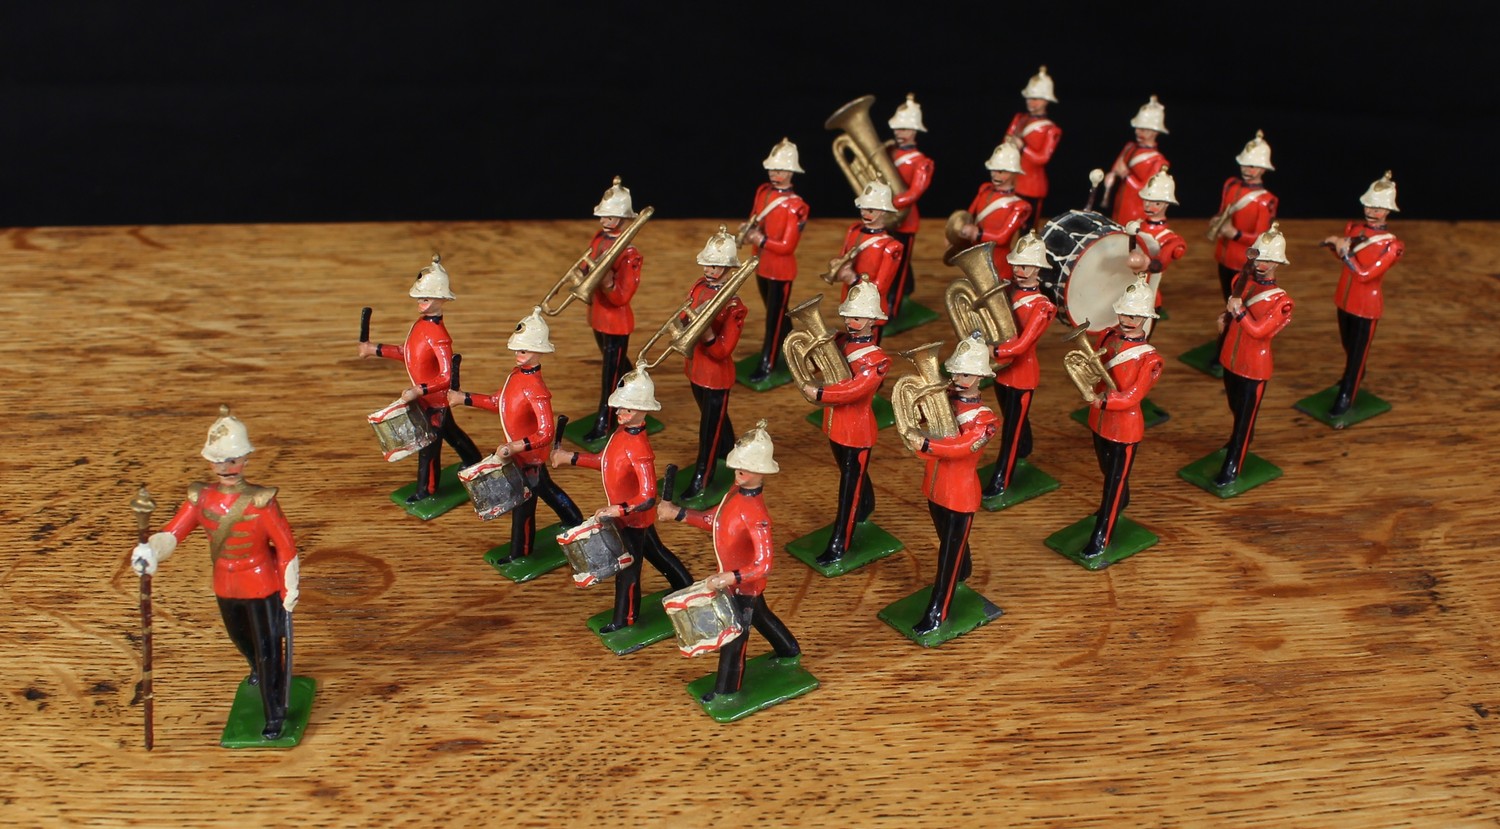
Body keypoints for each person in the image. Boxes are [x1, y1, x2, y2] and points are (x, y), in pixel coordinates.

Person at [130, 406, 300, 740]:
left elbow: (285, 546)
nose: (227, 468)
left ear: (245, 460)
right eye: (220, 461)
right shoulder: (201, 499)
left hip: (261, 583)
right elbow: (173, 533)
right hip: (225, 583)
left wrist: (289, 586)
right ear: (210, 463)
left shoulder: (261, 501)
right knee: (240, 639)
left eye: (233, 460)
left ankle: (274, 713)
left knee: (268, 650)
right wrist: (150, 551)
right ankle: (257, 667)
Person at [657, 420, 800, 702]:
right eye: (738, 466)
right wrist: (679, 514)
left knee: (735, 636)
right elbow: (715, 520)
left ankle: (726, 690)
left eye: (745, 467)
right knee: (761, 617)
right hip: (733, 582)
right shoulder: (734, 494)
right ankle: (789, 649)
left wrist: (730, 577)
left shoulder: (756, 514)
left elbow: (764, 564)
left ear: (761, 472)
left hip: (743, 586)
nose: (738, 471)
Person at [552, 364, 693, 632]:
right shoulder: (620, 434)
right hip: (628, 517)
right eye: (619, 407)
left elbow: (648, 496)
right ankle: (684, 585)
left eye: (626, 409)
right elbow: (605, 462)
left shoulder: (639, 448)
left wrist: (618, 510)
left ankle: (625, 619)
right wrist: (570, 457)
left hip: (633, 520)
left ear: (642, 410)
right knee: (657, 553)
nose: (619, 413)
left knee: (628, 569)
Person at [450, 307, 582, 562]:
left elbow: (546, 432)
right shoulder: (515, 376)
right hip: (520, 455)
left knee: (524, 505)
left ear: (538, 351)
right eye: (517, 350)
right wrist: (464, 398)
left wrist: (516, 447)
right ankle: (572, 518)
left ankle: (520, 553)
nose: (518, 354)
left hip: (529, 457)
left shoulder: (537, 390)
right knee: (546, 490)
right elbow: (497, 402)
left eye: (524, 350)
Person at [358, 254, 481, 502]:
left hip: (435, 401)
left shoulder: (439, 336)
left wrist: (419, 390)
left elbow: (446, 375)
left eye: (426, 298)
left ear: (441, 300)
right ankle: (473, 460)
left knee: (428, 446)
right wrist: (375, 349)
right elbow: (407, 353)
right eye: (420, 297)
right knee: (452, 433)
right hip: (426, 399)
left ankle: (427, 490)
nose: (420, 302)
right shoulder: (420, 326)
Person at [902, 334, 998, 635]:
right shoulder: (944, 402)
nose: (957, 379)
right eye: (955, 372)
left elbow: (961, 448)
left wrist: (927, 444)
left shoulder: (985, 420)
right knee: (948, 542)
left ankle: (937, 613)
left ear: (980, 377)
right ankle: (963, 569)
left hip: (960, 494)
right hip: (934, 486)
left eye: (965, 374)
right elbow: (926, 428)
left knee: (946, 557)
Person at [800, 277, 891, 566]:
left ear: (872, 321)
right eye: (849, 316)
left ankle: (841, 542)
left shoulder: (876, 359)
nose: (851, 321)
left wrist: (820, 392)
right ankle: (867, 504)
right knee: (849, 474)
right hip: (835, 424)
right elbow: (823, 366)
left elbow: (854, 390)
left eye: (858, 317)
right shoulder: (839, 341)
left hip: (857, 431)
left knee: (847, 490)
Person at [1081, 277, 1164, 559]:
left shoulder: (1150, 359)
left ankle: (1102, 536)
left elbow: (1133, 396)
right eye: (1125, 314)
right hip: (1100, 420)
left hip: (1125, 428)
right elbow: (1096, 367)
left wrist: (1103, 401)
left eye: (1135, 316)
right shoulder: (1108, 336)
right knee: (1107, 473)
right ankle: (1118, 502)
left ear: (1146, 318)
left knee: (1114, 483)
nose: (1128, 320)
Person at [1217, 224, 1294, 486]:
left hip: (1254, 366)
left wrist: (1238, 312)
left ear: (1278, 263)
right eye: (1259, 257)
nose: (1261, 264)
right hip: (1231, 356)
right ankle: (1238, 441)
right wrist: (1226, 317)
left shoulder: (1281, 301)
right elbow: (1233, 310)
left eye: (1268, 260)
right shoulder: (1241, 282)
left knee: (1245, 420)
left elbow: (1259, 331)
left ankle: (1233, 465)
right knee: (1235, 408)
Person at [1323, 171, 1404, 416]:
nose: (1371, 211)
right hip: (1344, 297)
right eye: (1369, 205)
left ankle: (1347, 393)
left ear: (1387, 211)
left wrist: (1345, 253)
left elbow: (1365, 274)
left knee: (1357, 355)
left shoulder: (1391, 245)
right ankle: (1353, 376)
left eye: (1377, 208)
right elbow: (1344, 259)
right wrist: (1335, 245)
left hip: (1366, 306)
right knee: (1349, 347)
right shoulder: (1354, 228)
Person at [983, 232, 1057, 499]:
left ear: (1038, 269)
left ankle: (1002, 479)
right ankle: (1025, 447)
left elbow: (1023, 345)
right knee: (1012, 419)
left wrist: (995, 351)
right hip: (1002, 371)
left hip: (1022, 374)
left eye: (1025, 266)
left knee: (1010, 432)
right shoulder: (1008, 291)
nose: (1019, 270)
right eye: (1016, 264)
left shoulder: (1043, 306)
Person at [680, 227, 749, 497]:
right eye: (707, 264)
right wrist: (686, 321)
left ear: (729, 268)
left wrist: (706, 331)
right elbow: (685, 311)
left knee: (708, 431)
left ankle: (703, 477)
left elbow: (723, 350)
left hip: (715, 374)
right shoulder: (699, 286)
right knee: (714, 418)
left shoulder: (734, 306)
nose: (709, 270)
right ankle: (729, 450)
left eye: (716, 266)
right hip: (695, 366)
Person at [741, 138, 810, 383]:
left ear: (791, 172)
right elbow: (755, 217)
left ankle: (767, 364)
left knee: (773, 321)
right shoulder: (763, 191)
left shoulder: (797, 206)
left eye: (780, 170)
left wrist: (759, 239)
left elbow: (787, 246)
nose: (774, 174)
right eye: (772, 169)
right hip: (761, 264)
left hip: (781, 270)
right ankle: (797, 351)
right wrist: (748, 231)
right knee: (777, 316)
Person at [584, 177, 645, 441]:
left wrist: (608, 282)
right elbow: (588, 262)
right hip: (598, 313)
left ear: (622, 218)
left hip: (616, 320)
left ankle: (605, 419)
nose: (604, 220)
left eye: (610, 216)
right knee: (619, 367)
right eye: (603, 215)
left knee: (610, 375)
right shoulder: (600, 238)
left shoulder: (630, 253)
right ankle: (638, 390)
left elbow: (622, 296)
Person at [885, 94, 936, 323]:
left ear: (915, 131)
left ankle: (894, 308)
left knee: (901, 264)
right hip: (887, 217)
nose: (899, 132)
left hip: (905, 219)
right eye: (897, 128)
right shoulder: (891, 152)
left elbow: (915, 192)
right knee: (889, 261)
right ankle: (903, 289)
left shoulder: (921, 162)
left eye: (905, 129)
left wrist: (890, 202)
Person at [833, 181, 904, 342]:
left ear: (883, 212)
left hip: (870, 309)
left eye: (870, 210)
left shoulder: (891, 246)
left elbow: (881, 286)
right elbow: (843, 256)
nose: (864, 213)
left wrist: (854, 279)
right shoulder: (854, 230)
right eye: (863, 208)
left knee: (868, 347)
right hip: (849, 301)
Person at [1211, 131, 1278, 302]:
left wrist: (1235, 234)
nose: (1247, 169)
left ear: (1263, 169)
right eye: (1245, 165)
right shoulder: (1230, 185)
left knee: (1241, 301)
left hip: (1244, 261)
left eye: (1252, 166)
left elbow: (1262, 239)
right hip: (1224, 254)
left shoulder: (1266, 200)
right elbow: (1222, 210)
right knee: (1227, 297)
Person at [956, 142, 1031, 279]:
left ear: (1013, 173)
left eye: (1001, 171)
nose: (995, 175)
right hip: (975, 255)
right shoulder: (984, 189)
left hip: (996, 262)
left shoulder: (1020, 206)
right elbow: (969, 215)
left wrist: (976, 233)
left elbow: (1002, 237)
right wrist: (955, 232)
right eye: (993, 170)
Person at [1005, 66, 1063, 227]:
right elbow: (1006, 141)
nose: (1031, 102)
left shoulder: (1051, 129)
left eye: (1036, 98)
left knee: (1028, 228)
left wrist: (1023, 147)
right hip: (1012, 180)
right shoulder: (1019, 118)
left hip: (1032, 185)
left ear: (1046, 101)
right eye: (1029, 98)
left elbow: (1042, 158)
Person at [1105, 96, 1170, 225]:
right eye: (1137, 128)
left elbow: (1146, 189)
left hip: (1136, 210)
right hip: (1120, 204)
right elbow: (1117, 167)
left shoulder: (1158, 161)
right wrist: (1112, 174)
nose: (1137, 132)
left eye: (1143, 129)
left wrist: (1126, 175)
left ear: (1155, 132)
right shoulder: (1129, 147)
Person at [1132, 168, 1187, 316]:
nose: (1148, 206)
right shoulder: (1137, 225)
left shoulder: (1168, 238)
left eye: (1155, 203)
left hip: (1148, 294)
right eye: (1146, 201)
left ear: (1166, 204)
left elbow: (1159, 264)